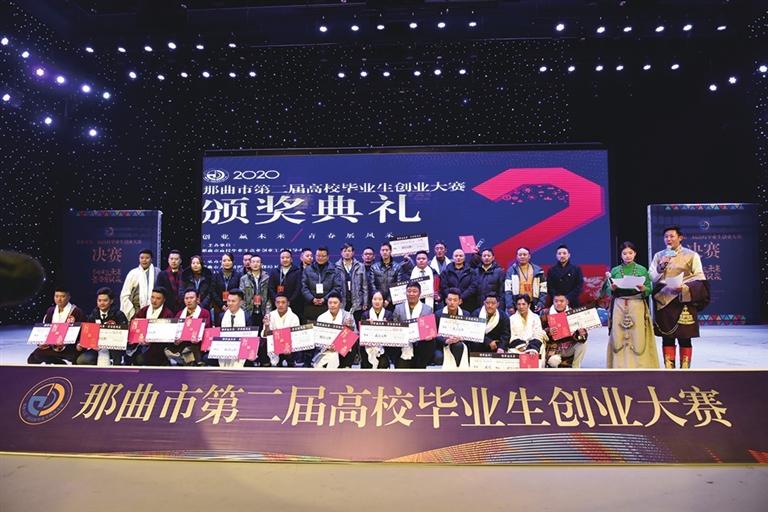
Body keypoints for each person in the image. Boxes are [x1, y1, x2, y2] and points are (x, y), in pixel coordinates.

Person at [649, 226, 709, 369]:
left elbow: (700, 276)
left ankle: (685, 370)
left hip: (684, 299)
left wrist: (684, 287)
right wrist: (661, 266)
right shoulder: (659, 255)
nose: (668, 239)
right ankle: (669, 370)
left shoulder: (691, 255)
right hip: (664, 299)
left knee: (685, 336)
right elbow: (652, 277)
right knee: (667, 336)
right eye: (666, 237)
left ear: (680, 238)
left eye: (672, 236)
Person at [599, 242, 658, 368]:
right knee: (618, 335)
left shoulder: (642, 269)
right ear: (621, 255)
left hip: (637, 304)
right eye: (625, 253)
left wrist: (644, 289)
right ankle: (619, 366)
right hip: (619, 304)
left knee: (638, 334)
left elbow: (649, 289)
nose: (628, 256)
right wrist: (612, 288)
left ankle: (640, 366)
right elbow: (607, 290)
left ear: (635, 253)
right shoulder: (615, 270)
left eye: (630, 253)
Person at [27, 286, 86, 365]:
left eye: (62, 296)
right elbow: (45, 329)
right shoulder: (50, 311)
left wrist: (79, 344)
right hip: (52, 345)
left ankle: (59, 362)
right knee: (33, 358)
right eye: (56, 296)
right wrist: (41, 342)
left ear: (68, 297)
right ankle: (59, 363)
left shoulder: (77, 311)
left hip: (70, 346)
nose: (59, 299)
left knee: (76, 357)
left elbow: (83, 332)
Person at [77, 287, 128, 365]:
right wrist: (84, 343)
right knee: (82, 360)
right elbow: (87, 334)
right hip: (97, 348)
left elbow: (124, 335)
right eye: (99, 300)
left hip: (114, 348)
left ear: (111, 301)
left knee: (117, 361)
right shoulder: (93, 315)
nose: (102, 303)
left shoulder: (119, 314)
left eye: (105, 300)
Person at [392, 281, 436, 369]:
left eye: (414, 291)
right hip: (404, 345)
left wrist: (430, 335)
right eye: (409, 291)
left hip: (420, 345)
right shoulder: (398, 308)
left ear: (420, 293)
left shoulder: (427, 309)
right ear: (405, 293)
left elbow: (431, 330)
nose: (411, 294)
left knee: (429, 344)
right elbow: (394, 327)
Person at [130, 287, 176, 366]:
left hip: (158, 348)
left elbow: (167, 336)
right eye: (152, 297)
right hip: (141, 344)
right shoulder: (144, 310)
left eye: (158, 298)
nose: (154, 301)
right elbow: (134, 325)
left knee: (142, 358)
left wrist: (151, 340)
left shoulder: (168, 314)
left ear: (164, 300)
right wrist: (139, 338)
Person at [541, 294, 589, 368]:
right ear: (553, 302)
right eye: (556, 301)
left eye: (561, 301)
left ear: (567, 302)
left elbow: (582, 339)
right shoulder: (545, 313)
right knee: (553, 361)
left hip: (569, 347)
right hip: (553, 348)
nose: (558, 303)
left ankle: (576, 368)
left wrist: (581, 334)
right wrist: (548, 332)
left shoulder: (574, 314)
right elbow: (539, 332)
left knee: (583, 344)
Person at [169, 288, 213, 366]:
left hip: (197, 344)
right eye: (186, 298)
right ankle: (184, 358)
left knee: (193, 346)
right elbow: (174, 330)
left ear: (198, 299)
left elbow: (207, 330)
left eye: (191, 298)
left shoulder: (204, 313)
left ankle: (190, 360)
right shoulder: (180, 314)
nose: (189, 301)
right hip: (182, 343)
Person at [314, 292, 358, 369]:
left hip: (342, 348)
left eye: (335, 303)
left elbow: (354, 334)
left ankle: (346, 366)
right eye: (330, 303)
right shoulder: (321, 318)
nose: (332, 305)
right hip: (327, 348)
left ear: (340, 304)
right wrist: (327, 346)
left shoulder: (347, 316)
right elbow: (318, 338)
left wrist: (348, 328)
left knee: (352, 340)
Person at [301, 246, 342, 322]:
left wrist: (325, 299)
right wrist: (312, 299)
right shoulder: (308, 270)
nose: (320, 258)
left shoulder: (334, 270)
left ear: (328, 257)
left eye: (323, 256)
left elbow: (337, 287)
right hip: (310, 306)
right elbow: (304, 287)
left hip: (327, 306)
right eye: (318, 256)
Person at [215, 288, 253, 368]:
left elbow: (250, 338)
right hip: (224, 350)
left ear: (241, 302)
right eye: (228, 301)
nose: (230, 303)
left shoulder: (246, 317)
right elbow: (217, 335)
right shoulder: (221, 316)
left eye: (233, 301)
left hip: (241, 350)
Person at [262, 293, 301, 367]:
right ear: (275, 303)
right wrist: (267, 326)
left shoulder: (294, 317)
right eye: (278, 302)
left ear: (288, 303)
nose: (280, 305)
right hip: (273, 347)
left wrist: (287, 346)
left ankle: (291, 363)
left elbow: (296, 337)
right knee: (263, 343)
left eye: (283, 302)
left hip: (289, 348)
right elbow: (266, 336)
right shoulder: (270, 315)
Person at [119, 248, 159, 321]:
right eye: (142, 258)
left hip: (154, 309)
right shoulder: (133, 273)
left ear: (151, 259)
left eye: (147, 258)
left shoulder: (157, 272)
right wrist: (132, 312)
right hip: (136, 310)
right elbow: (124, 295)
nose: (144, 260)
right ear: (139, 259)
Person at [505, 246, 547, 315]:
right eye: (520, 255)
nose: (522, 256)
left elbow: (543, 289)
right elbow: (507, 290)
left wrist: (541, 303)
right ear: (517, 257)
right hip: (517, 304)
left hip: (533, 304)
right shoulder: (511, 270)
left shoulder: (538, 270)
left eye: (524, 254)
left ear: (529, 256)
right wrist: (510, 306)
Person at [435, 287, 470, 368]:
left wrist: (461, 338)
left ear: (460, 301)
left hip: (459, 343)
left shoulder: (466, 314)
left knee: (458, 346)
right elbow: (435, 334)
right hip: (442, 344)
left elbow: (470, 334)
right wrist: (446, 340)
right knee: (438, 357)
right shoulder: (438, 314)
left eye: (455, 300)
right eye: (450, 300)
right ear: (446, 300)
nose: (452, 302)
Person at [359, 290, 394, 369]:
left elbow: (392, 335)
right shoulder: (365, 314)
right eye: (375, 299)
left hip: (383, 348)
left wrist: (387, 327)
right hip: (368, 348)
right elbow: (361, 335)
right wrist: (367, 326)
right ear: (371, 300)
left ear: (384, 301)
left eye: (380, 299)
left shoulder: (388, 314)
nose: (377, 301)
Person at [336, 243, 368, 323]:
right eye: (345, 251)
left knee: (356, 325)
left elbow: (364, 286)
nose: (347, 253)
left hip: (357, 302)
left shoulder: (360, 266)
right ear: (341, 253)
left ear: (353, 253)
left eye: (349, 251)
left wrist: (365, 302)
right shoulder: (336, 266)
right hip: (343, 302)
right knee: (343, 325)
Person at [508, 294, 546, 358]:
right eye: (519, 304)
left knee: (541, 348)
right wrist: (521, 346)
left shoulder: (535, 317)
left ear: (529, 305)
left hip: (533, 345)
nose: (521, 307)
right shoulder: (511, 318)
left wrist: (532, 348)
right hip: (518, 347)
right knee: (511, 351)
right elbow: (511, 335)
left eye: (523, 304)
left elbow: (538, 333)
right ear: (516, 306)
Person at [239, 253, 271, 329]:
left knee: (263, 333)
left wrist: (267, 312)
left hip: (263, 311)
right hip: (249, 312)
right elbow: (241, 297)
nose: (255, 264)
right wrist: (245, 312)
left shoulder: (267, 278)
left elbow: (269, 297)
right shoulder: (244, 279)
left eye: (258, 262)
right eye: (253, 262)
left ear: (261, 264)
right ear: (250, 264)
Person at [371, 242, 405, 311]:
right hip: (377, 301)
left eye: (387, 250)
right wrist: (379, 298)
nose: (385, 252)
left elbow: (398, 285)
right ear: (380, 252)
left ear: (390, 251)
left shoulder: (397, 267)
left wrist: (388, 300)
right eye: (383, 250)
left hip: (393, 302)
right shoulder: (374, 267)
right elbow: (372, 284)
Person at [211, 252, 243, 319]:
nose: (226, 262)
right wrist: (222, 305)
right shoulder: (216, 276)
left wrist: (232, 304)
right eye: (224, 260)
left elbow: (239, 291)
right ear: (221, 262)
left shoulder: (238, 276)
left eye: (229, 260)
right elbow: (213, 292)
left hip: (235, 307)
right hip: (219, 307)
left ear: (233, 262)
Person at [156, 249, 184, 314]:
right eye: (171, 259)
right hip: (166, 308)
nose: (173, 261)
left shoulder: (185, 274)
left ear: (180, 261)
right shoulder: (162, 274)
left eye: (176, 259)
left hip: (182, 308)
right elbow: (159, 292)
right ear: (168, 260)